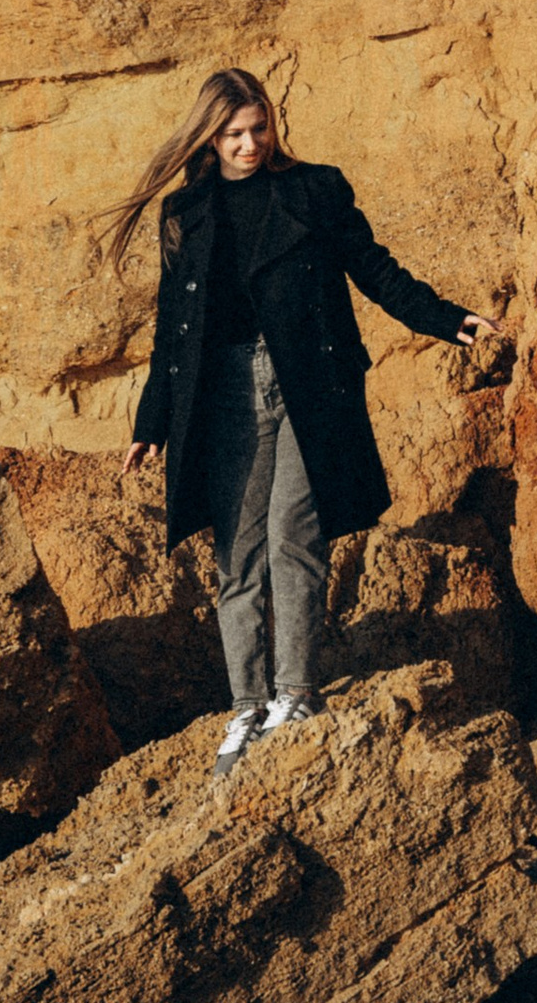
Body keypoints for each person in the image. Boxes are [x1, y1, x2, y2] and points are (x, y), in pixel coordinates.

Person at [113, 69, 496, 774]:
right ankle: (246, 706)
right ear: (210, 137)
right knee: (237, 556)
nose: (250, 144)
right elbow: (174, 328)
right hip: (225, 393)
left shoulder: (315, 190)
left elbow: (375, 270)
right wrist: (152, 420)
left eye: (259, 127)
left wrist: (446, 319)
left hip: (310, 385)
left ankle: (296, 696)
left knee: (295, 535)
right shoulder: (185, 212)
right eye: (234, 133)